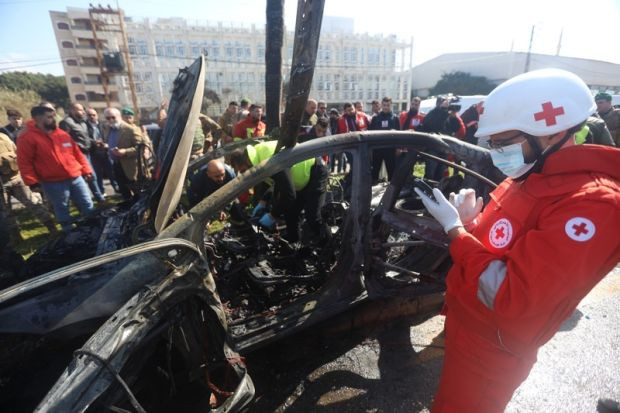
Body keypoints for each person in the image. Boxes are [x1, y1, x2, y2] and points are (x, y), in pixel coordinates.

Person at [413, 68, 620, 412]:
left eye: (503, 142)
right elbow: (503, 246)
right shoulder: (530, 172)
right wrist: (472, 222)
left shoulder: (592, 204)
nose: (497, 153)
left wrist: (457, 233)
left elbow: (513, 296)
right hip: (470, 322)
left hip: (494, 346)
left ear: (551, 130)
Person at [229, 140, 328, 244]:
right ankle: (294, 247)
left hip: (314, 171)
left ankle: (330, 249)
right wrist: (263, 201)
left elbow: (289, 195)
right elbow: (270, 181)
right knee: (290, 214)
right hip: (299, 179)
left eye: (243, 170)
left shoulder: (270, 159)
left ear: (247, 161)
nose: (245, 174)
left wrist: (272, 215)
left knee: (313, 217)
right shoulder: (257, 157)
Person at [17, 104, 94, 231]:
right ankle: (69, 233)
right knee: (62, 208)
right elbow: (24, 162)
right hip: (53, 182)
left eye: (53, 116)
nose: (53, 119)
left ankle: (94, 226)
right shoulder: (27, 138)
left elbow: (77, 154)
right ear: (37, 118)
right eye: (49, 117)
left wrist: (87, 170)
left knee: (87, 203)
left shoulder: (62, 134)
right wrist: (32, 182)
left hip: (75, 177)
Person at [1, 131, 57, 239]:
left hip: (16, 178)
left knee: (32, 202)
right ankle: (16, 237)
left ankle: (52, 228)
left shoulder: (4, 137)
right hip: (2, 184)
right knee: (6, 212)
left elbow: (18, 154)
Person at [60, 103, 105, 202]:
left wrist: (94, 142)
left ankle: (96, 197)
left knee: (92, 175)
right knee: (90, 176)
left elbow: (84, 137)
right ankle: (97, 199)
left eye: (82, 110)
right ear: (72, 110)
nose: (83, 112)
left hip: (88, 152)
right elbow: (64, 140)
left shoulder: (83, 122)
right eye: (80, 110)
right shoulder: (66, 123)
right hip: (78, 154)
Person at [102, 107, 145, 201]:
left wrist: (125, 151)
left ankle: (140, 209)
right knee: (123, 188)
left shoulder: (130, 129)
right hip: (116, 164)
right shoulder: (108, 129)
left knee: (136, 190)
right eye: (108, 118)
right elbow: (109, 142)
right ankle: (128, 207)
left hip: (130, 166)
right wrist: (106, 146)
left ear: (119, 116)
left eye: (113, 117)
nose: (111, 120)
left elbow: (141, 148)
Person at [87, 107, 118, 194]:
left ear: (97, 115)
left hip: (106, 152)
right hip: (94, 154)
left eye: (93, 115)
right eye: (89, 115)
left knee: (111, 172)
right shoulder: (85, 126)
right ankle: (101, 191)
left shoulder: (104, 125)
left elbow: (109, 136)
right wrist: (94, 142)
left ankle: (116, 188)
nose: (92, 117)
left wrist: (105, 144)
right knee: (98, 174)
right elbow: (85, 138)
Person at [369, 97, 400, 182]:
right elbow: (370, 133)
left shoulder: (395, 118)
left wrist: (398, 147)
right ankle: (372, 188)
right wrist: (370, 148)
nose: (386, 107)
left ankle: (391, 191)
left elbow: (399, 134)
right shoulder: (376, 118)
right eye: (384, 105)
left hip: (390, 149)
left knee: (391, 171)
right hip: (377, 149)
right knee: (375, 170)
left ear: (391, 105)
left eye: (388, 105)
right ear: (381, 105)